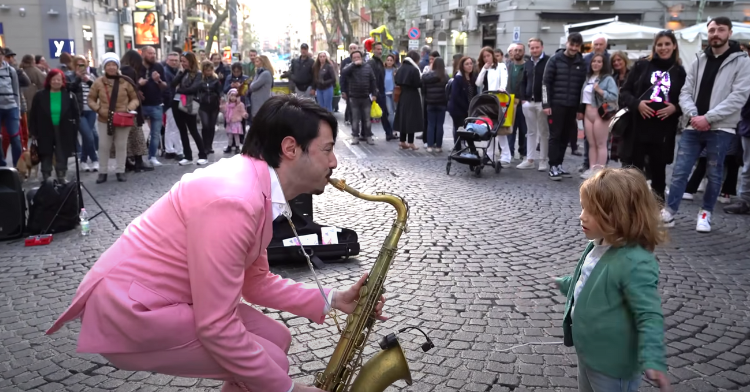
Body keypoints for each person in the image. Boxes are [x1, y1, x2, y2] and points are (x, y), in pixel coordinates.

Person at [46, 94, 386, 392]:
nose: (334, 162)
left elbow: (255, 283)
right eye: (327, 150)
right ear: (290, 148)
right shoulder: (236, 200)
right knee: (268, 363)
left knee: (278, 341)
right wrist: (287, 390)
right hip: (129, 311)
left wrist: (333, 299)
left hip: (160, 299)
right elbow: (216, 326)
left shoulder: (255, 184)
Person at [554, 168, 672, 392]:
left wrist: (653, 358)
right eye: (583, 207)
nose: (582, 216)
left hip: (613, 362)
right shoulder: (598, 242)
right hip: (588, 350)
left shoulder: (635, 261)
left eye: (592, 211)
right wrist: (565, 283)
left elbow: (648, 314)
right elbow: (589, 282)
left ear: (620, 216)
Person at [662, 17, 750, 233]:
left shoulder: (742, 61)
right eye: (711, 30)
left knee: (714, 173)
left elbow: (739, 96)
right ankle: (669, 212)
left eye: (720, 30)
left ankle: (705, 213)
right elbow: (685, 91)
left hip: (721, 128)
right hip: (693, 125)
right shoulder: (699, 59)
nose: (715, 34)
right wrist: (693, 115)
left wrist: (708, 118)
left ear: (729, 33)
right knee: (680, 171)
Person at [618, 30, 686, 202]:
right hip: (637, 128)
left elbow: (686, 99)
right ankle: (628, 209)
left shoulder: (679, 72)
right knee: (632, 173)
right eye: (659, 44)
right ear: (654, 46)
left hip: (662, 131)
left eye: (667, 44)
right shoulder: (642, 66)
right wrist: (637, 104)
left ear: (674, 46)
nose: (663, 48)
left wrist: (675, 108)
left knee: (658, 174)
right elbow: (624, 93)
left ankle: (657, 210)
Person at [88, 52, 139, 183]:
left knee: (121, 146)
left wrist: (128, 109)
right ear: (104, 67)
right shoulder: (98, 82)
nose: (111, 67)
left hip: (122, 118)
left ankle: (120, 171)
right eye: (108, 65)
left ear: (117, 66)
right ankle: (102, 172)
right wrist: (99, 109)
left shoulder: (126, 81)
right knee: (104, 146)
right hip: (104, 119)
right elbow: (91, 99)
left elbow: (135, 99)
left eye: (113, 65)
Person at [543, 32, 587, 181]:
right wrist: (546, 103)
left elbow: (583, 87)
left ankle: (559, 164)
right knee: (555, 136)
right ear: (566, 43)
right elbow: (546, 83)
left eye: (577, 46)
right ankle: (553, 165)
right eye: (572, 44)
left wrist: (581, 108)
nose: (574, 48)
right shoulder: (555, 60)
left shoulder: (582, 63)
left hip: (572, 106)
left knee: (565, 137)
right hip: (556, 105)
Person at [28, 69, 80, 182]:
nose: (56, 81)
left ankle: (61, 175)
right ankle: (46, 176)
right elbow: (33, 115)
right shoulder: (39, 95)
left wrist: (74, 130)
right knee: (45, 152)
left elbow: (76, 115)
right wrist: (33, 131)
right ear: (49, 80)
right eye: (54, 79)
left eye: (59, 79)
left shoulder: (69, 96)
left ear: (63, 81)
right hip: (44, 128)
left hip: (64, 129)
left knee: (62, 153)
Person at [578, 53, 618, 179]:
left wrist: (600, 91)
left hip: (601, 113)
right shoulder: (588, 77)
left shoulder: (608, 79)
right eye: (594, 61)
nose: (596, 64)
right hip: (588, 113)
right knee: (591, 144)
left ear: (603, 64)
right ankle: (592, 169)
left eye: (599, 61)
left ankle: (600, 171)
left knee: (601, 143)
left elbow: (614, 96)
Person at [517, 37, 551, 171]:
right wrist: (523, 98)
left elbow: (548, 83)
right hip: (528, 102)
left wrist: (546, 102)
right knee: (530, 132)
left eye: (537, 47)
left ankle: (543, 160)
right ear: (529, 49)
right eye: (532, 48)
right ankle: (529, 159)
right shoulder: (527, 64)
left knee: (543, 132)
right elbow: (523, 82)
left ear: (542, 47)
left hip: (542, 102)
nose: (535, 50)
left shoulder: (548, 62)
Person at [476, 47, 512, 166]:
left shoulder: (501, 66)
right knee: (489, 127)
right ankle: (489, 154)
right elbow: (478, 83)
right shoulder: (485, 68)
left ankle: (506, 156)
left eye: (488, 55)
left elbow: (504, 79)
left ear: (493, 55)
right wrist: (483, 69)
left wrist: (502, 87)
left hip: (498, 99)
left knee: (499, 128)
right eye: (484, 57)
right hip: (487, 100)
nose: (487, 58)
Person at [172, 51, 208, 166]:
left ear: (191, 61)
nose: (183, 64)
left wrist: (180, 90)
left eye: (184, 61)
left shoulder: (198, 74)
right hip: (177, 102)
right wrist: (181, 74)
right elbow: (173, 84)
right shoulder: (181, 72)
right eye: (181, 61)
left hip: (189, 103)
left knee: (193, 130)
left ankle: (203, 155)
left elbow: (193, 88)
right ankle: (187, 156)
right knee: (182, 130)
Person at [340, 50, 377, 145]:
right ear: (352, 59)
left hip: (365, 97)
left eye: (358, 57)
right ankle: (355, 137)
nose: (357, 59)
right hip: (354, 97)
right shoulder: (349, 67)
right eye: (354, 57)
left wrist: (374, 94)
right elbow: (343, 73)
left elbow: (373, 81)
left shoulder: (368, 67)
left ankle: (368, 136)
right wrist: (353, 64)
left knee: (367, 119)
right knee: (355, 119)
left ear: (361, 57)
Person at [139, 46, 167, 166]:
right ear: (143, 53)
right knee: (137, 133)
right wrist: (138, 85)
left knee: (155, 133)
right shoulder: (137, 66)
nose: (153, 55)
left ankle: (152, 157)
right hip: (140, 105)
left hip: (156, 104)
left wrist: (159, 80)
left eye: (154, 53)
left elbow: (165, 86)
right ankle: (137, 158)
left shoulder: (158, 66)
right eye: (150, 53)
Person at [73, 55, 99, 172]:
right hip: (79, 111)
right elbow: (70, 88)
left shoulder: (91, 76)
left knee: (86, 136)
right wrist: (78, 78)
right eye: (78, 65)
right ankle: (95, 159)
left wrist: (88, 81)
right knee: (89, 135)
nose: (80, 67)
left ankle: (83, 161)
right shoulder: (71, 76)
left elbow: (97, 90)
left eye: (82, 64)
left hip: (91, 110)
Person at [394, 50, 423, 150]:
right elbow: (418, 83)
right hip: (413, 96)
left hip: (403, 95)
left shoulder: (401, 68)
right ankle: (411, 142)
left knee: (403, 119)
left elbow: (396, 80)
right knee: (411, 120)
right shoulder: (414, 70)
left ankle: (402, 141)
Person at [447, 56, 477, 151]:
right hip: (458, 109)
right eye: (467, 64)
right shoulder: (458, 78)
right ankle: (459, 148)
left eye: (471, 63)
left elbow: (474, 93)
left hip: (468, 109)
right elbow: (456, 96)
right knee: (459, 128)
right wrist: (466, 107)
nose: (469, 66)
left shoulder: (473, 77)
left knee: (467, 129)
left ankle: (469, 148)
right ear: (462, 66)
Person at [367, 42, 396, 141]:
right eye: (377, 49)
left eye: (380, 49)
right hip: (377, 92)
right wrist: (374, 91)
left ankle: (389, 133)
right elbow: (372, 78)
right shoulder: (372, 62)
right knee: (372, 113)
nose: (379, 51)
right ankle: (366, 134)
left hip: (381, 91)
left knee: (385, 113)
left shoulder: (379, 62)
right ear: (373, 50)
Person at [0, 46, 22, 167]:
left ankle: (18, 166)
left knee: (15, 138)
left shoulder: (10, 71)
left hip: (11, 107)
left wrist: (18, 109)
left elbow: (16, 91)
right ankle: (2, 166)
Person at [505, 43, 527, 161]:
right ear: (512, 52)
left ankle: (523, 153)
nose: (517, 52)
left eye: (520, 50)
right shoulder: (508, 66)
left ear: (523, 52)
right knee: (510, 129)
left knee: (524, 130)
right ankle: (510, 153)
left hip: (523, 102)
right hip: (510, 102)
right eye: (515, 50)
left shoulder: (527, 66)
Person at [421, 57, 448, 152]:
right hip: (441, 103)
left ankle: (429, 145)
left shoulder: (427, 76)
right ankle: (438, 146)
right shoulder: (445, 77)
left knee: (430, 124)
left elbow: (423, 90)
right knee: (440, 125)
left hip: (430, 102)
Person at [198, 60, 223, 154]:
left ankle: (209, 146)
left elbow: (219, 91)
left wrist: (221, 99)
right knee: (205, 125)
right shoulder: (200, 79)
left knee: (211, 126)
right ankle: (204, 145)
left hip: (214, 105)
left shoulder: (215, 80)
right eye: (206, 70)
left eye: (210, 70)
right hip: (203, 105)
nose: (208, 72)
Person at [249, 55, 275, 120]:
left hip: (260, 102)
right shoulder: (260, 72)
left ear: (262, 62)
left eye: (257, 61)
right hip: (258, 102)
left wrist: (253, 80)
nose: (255, 63)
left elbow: (253, 86)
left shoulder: (264, 74)